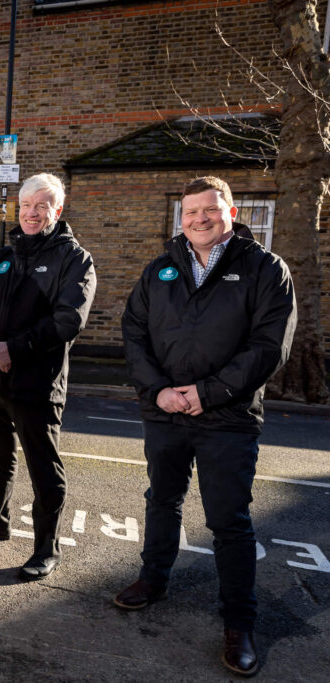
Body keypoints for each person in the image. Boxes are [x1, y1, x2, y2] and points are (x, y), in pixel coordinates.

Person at [117, 176, 296, 677]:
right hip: (166, 413)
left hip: (228, 418)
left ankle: (239, 622)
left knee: (228, 522)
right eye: (191, 211)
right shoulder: (161, 269)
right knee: (162, 500)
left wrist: (207, 393)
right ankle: (152, 580)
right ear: (181, 217)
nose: (200, 219)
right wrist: (158, 391)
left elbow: (269, 346)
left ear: (231, 212)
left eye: (210, 210)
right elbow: (134, 332)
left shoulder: (264, 269)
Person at [0, 173, 96, 582]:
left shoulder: (75, 259)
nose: (31, 213)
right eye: (26, 205)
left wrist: (13, 349)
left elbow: (69, 320)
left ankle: (46, 548)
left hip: (38, 384)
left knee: (43, 468)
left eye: (42, 206)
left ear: (58, 210)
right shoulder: (5, 254)